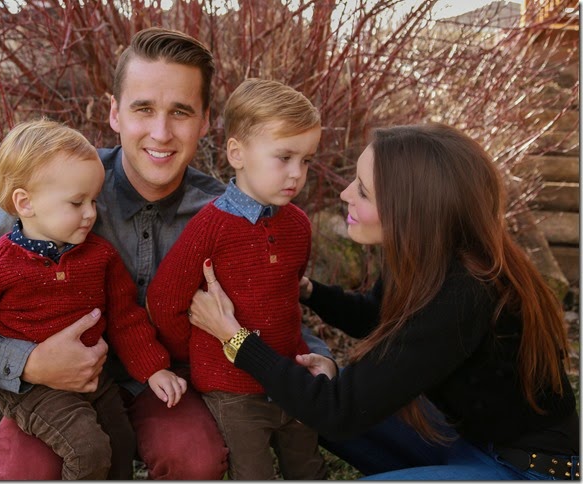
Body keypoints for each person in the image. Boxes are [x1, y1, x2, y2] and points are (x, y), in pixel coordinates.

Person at [0, 27, 333, 480]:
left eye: (180, 112)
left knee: (194, 456)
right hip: (51, 390)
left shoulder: (225, 214)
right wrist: (26, 362)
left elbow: (272, 299)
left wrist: (319, 356)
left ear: (204, 121)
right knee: (29, 470)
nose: (161, 132)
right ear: (115, 112)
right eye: (143, 109)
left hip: (164, 383)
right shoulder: (57, 186)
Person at [187, 123, 580, 480]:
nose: (345, 194)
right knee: (307, 398)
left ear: (409, 211)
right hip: (462, 440)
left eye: (362, 190)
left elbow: (337, 412)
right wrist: (308, 290)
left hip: (522, 469)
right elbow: (376, 317)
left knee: (318, 402)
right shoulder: (428, 255)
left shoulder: (464, 293)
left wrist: (235, 339)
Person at [0, 119, 188, 479]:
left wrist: (153, 367)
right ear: (25, 203)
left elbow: (125, 319)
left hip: (95, 381)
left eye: (94, 201)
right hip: (33, 390)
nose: (91, 214)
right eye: (77, 202)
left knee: (120, 442)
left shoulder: (99, 257)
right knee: (88, 450)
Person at [146, 78, 326, 479]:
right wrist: (199, 352)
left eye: (306, 160)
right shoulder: (210, 227)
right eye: (284, 157)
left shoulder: (298, 224)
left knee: (308, 465)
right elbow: (164, 300)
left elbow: (288, 293)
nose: (297, 174)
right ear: (237, 153)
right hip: (231, 387)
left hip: (288, 374)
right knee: (253, 472)